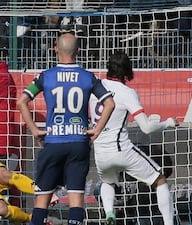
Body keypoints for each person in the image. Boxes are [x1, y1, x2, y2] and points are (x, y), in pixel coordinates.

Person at [16, 32, 115, 225]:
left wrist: (35, 130)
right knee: (76, 197)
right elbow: (109, 103)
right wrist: (97, 129)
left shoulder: (46, 77)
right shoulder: (88, 77)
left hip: (53, 142)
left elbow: (22, 101)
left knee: (42, 198)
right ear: (78, 51)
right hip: (78, 142)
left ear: (55, 48)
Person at [89, 51, 178, 225]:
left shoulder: (95, 88)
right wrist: (167, 123)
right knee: (159, 179)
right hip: (121, 150)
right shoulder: (127, 93)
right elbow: (146, 127)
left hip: (100, 152)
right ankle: (169, 223)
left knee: (107, 181)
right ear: (128, 70)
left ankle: (109, 215)